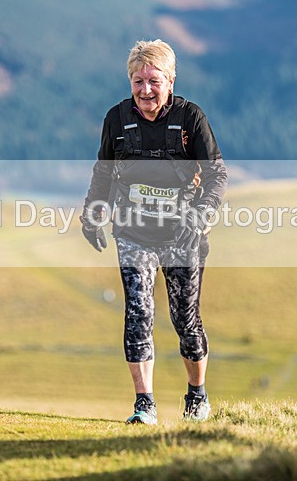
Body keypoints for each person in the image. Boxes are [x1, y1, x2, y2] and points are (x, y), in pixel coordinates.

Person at [81, 39, 227, 424]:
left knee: (185, 320)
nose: (145, 90)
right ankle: (144, 405)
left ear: (170, 81)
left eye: (154, 81)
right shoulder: (116, 120)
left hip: (183, 235)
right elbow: (103, 172)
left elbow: (216, 174)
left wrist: (200, 216)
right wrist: (92, 214)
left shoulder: (190, 118)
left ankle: (197, 397)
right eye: (138, 81)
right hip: (133, 234)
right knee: (138, 313)